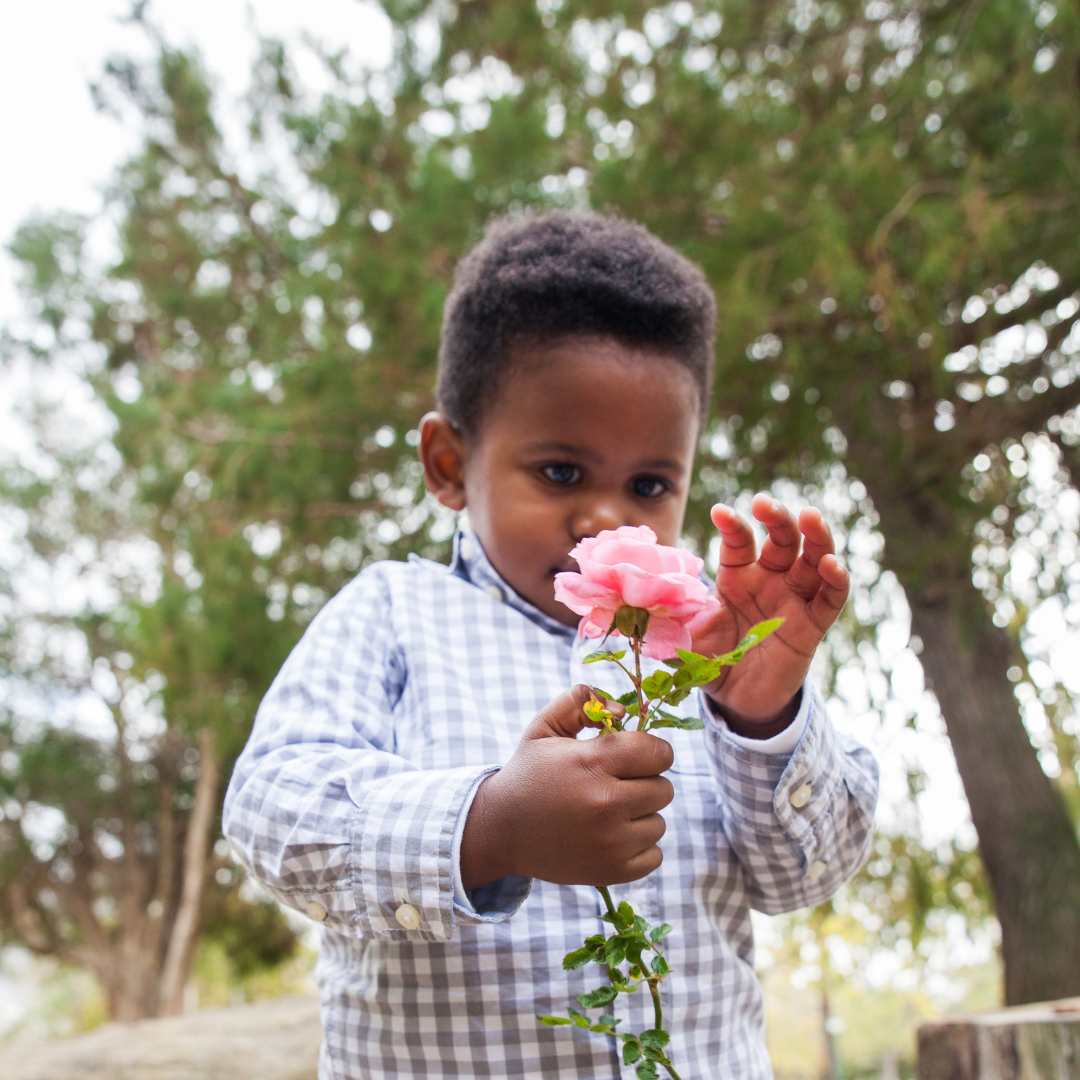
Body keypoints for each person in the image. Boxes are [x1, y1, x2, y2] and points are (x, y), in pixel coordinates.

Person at [223, 210, 879, 1080]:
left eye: (650, 483)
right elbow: (272, 807)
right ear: (450, 464)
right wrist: (490, 825)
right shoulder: (392, 611)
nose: (607, 514)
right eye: (561, 472)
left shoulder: (703, 653)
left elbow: (804, 876)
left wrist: (761, 714)